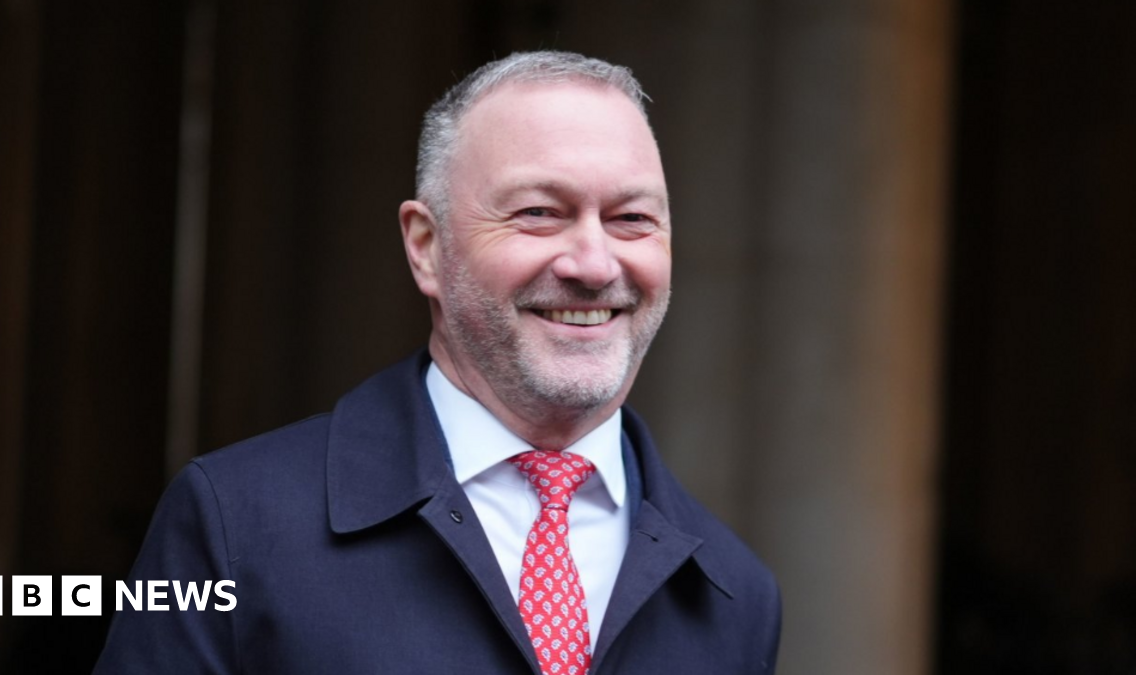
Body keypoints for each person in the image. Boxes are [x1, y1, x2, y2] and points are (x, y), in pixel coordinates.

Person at [95, 50, 781, 674]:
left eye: (631, 218)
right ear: (426, 246)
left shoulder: (735, 595)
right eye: (540, 212)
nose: (594, 263)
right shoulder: (233, 524)